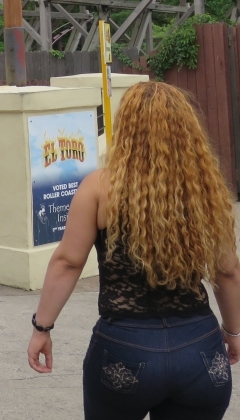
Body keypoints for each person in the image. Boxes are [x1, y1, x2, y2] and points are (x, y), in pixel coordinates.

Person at [27, 82, 240, 419]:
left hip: (124, 349)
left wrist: (42, 328)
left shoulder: (98, 188)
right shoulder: (204, 190)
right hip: (200, 350)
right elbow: (227, 271)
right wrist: (234, 332)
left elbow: (68, 263)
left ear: (125, 128)